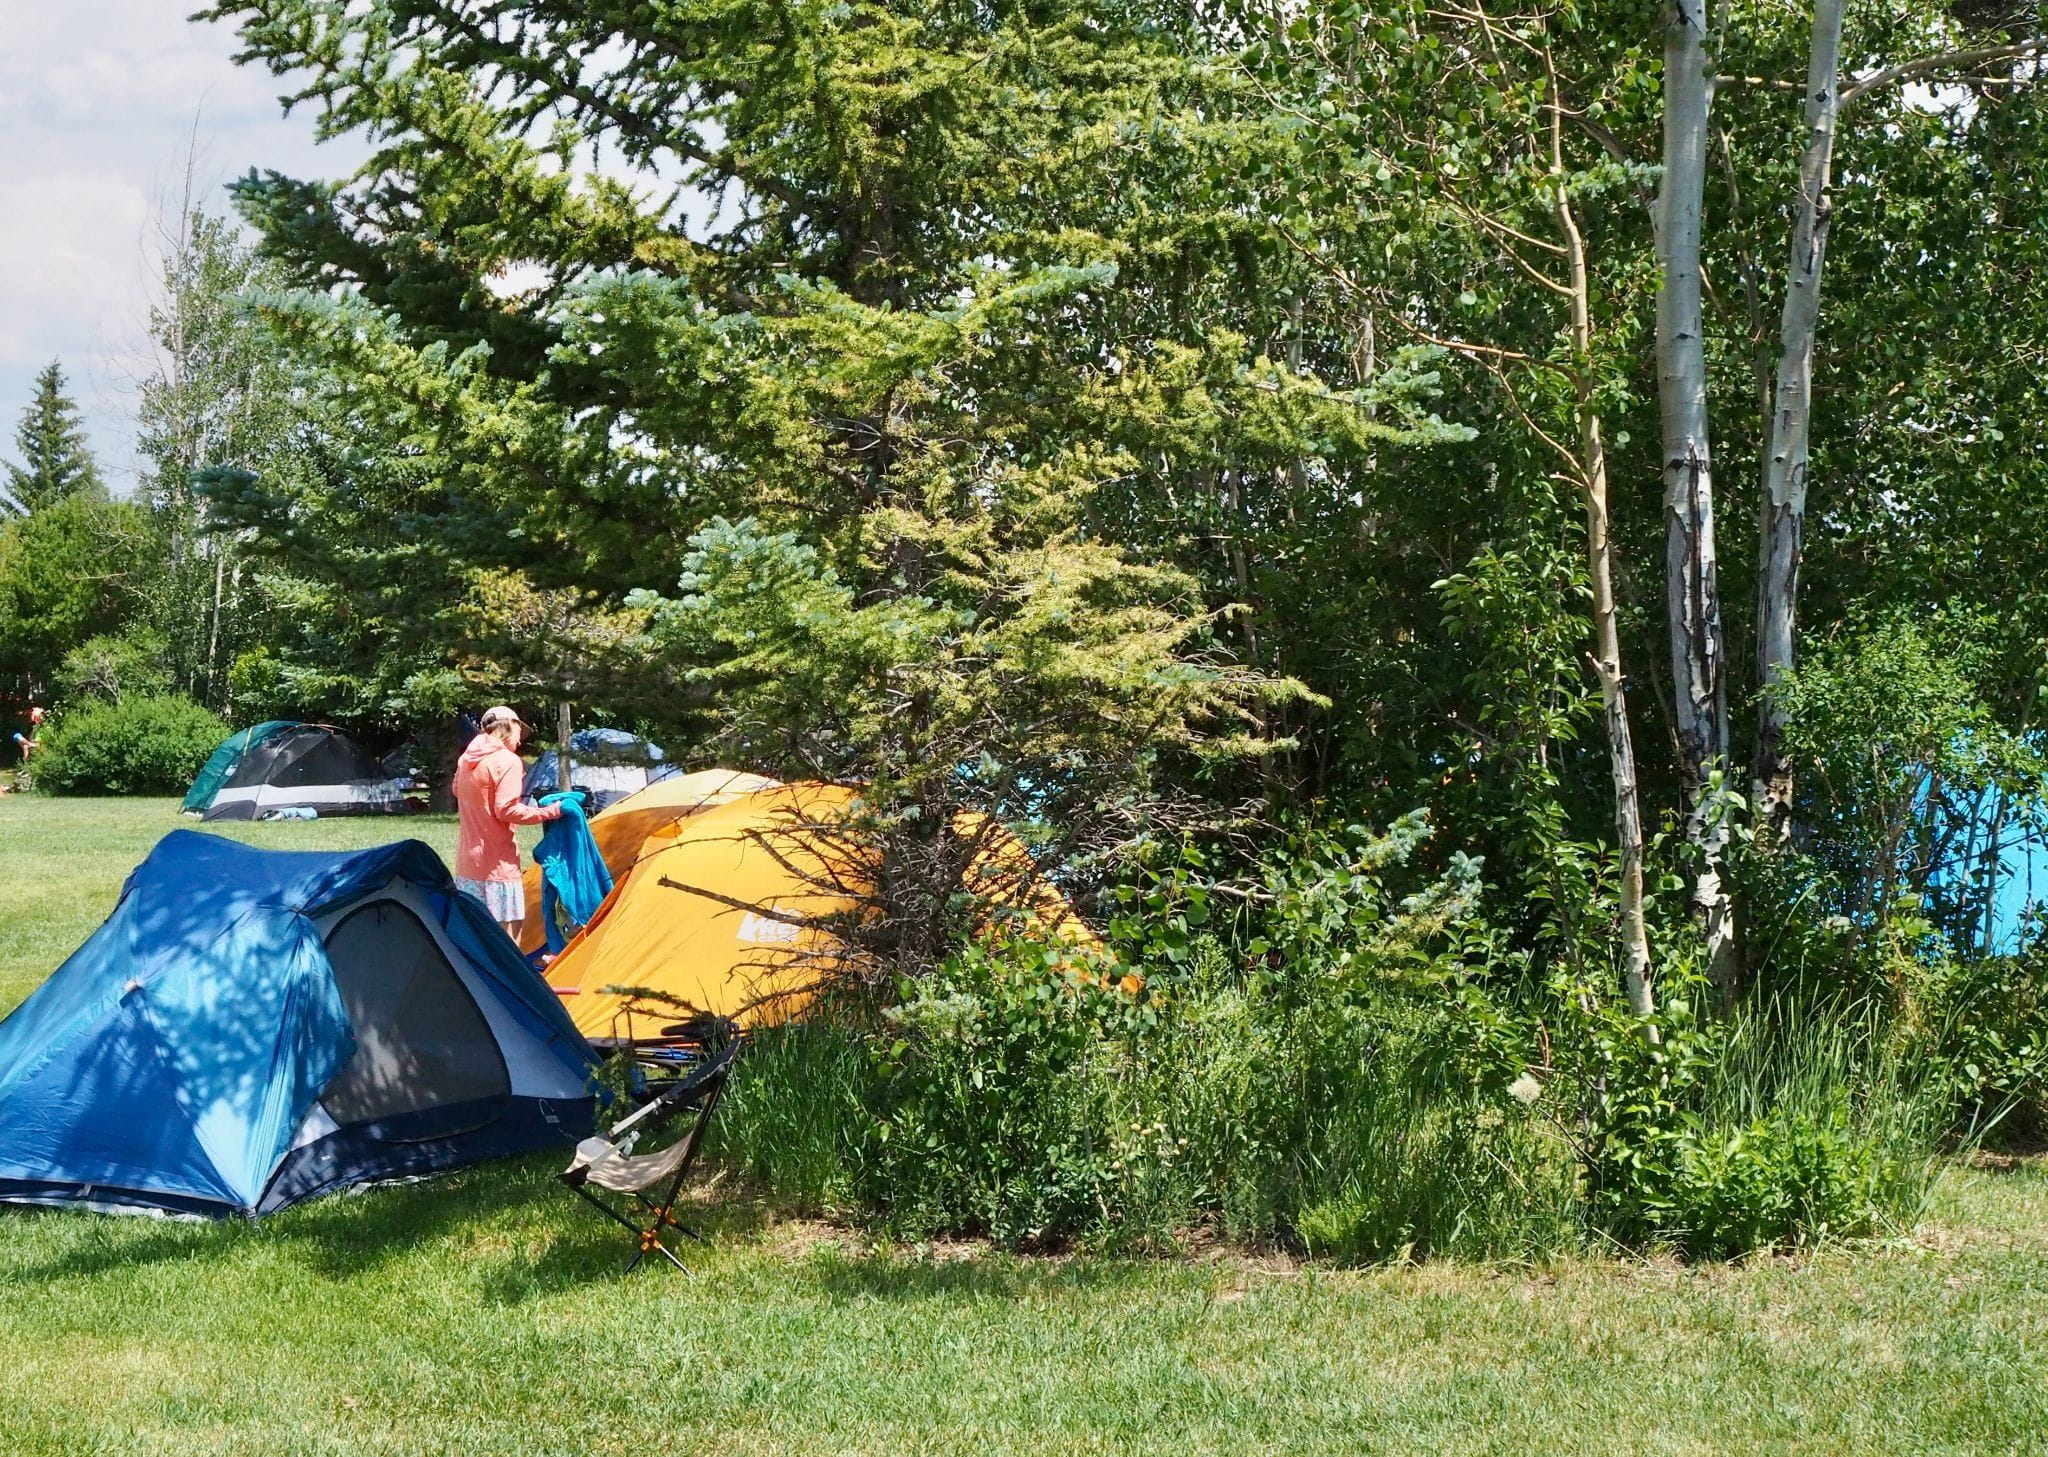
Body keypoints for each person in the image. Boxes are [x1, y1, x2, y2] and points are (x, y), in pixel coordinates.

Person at [454, 705, 563, 938]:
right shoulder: (507, 761)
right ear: (508, 727)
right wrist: (550, 812)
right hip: (498, 865)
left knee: (475, 937)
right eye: (518, 733)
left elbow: (457, 791)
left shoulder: (466, 760)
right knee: (508, 939)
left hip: (467, 864)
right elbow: (507, 810)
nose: (520, 741)